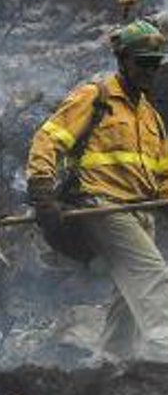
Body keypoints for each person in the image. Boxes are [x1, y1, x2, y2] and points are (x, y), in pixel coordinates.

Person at [27, 19, 168, 361]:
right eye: (142, 62)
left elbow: (162, 172)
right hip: (102, 205)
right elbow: (48, 139)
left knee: (128, 294)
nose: (149, 71)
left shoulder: (150, 117)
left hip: (140, 212)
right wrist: (42, 191)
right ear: (123, 60)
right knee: (153, 278)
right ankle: (165, 354)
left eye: (155, 63)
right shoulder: (96, 97)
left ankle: (110, 364)